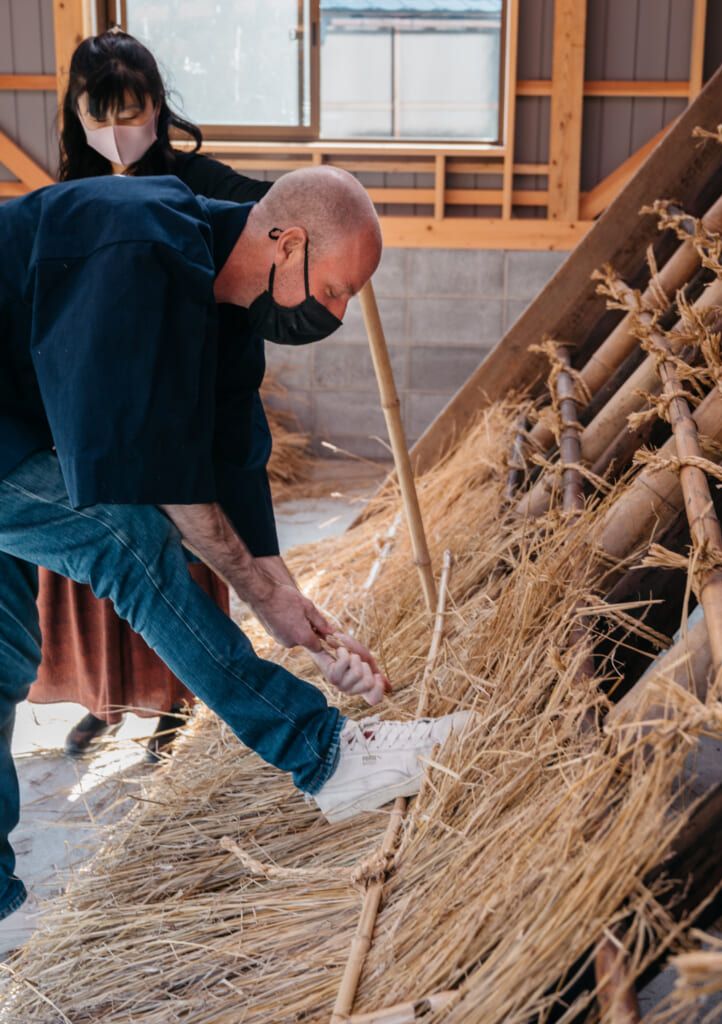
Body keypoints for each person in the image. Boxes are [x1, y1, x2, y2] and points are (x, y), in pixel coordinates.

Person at [0, 165, 469, 952]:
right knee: (126, 538)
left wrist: (294, 609)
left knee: (5, 656)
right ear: (287, 243)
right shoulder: (136, 250)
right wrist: (259, 596)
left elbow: (230, 463)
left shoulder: (222, 304)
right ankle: (324, 755)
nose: (340, 312)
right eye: (335, 290)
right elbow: (152, 478)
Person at [31, 29, 275, 762]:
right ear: (75, 113)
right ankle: (108, 703)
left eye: (130, 112)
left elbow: (273, 216)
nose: (116, 131)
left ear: (158, 107)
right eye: (97, 114)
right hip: (94, 416)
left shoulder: (202, 182)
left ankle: (176, 701)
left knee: (183, 554)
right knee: (109, 565)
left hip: (175, 412)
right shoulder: (65, 196)